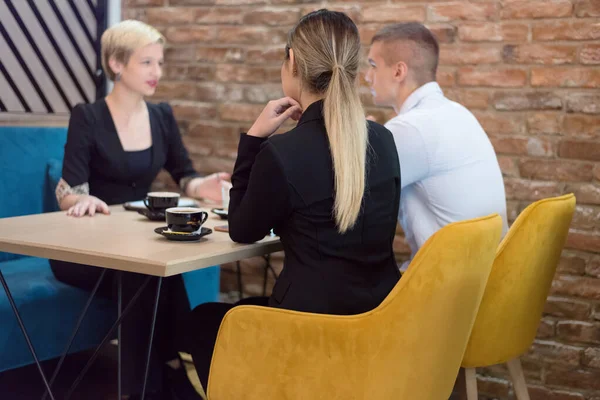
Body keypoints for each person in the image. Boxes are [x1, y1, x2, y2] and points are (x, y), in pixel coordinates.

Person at [183, 10, 402, 394]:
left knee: (203, 322)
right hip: (378, 323)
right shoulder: (383, 140)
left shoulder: (282, 153)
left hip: (307, 332)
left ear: (294, 62)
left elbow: (242, 229)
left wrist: (253, 138)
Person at [49, 20, 229, 400]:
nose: (157, 73)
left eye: (160, 63)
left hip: (136, 244)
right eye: (147, 62)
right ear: (116, 63)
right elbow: (70, 190)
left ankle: (162, 379)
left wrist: (204, 186)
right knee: (143, 273)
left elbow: (185, 174)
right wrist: (81, 200)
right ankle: (166, 378)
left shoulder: (161, 116)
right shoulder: (88, 116)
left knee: (151, 268)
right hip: (85, 248)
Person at [365, 22, 508, 272]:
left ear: (399, 72)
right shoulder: (457, 112)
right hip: (484, 279)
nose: (368, 76)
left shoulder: (410, 128)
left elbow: (346, 193)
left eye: (373, 66)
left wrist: (360, 142)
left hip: (447, 289)